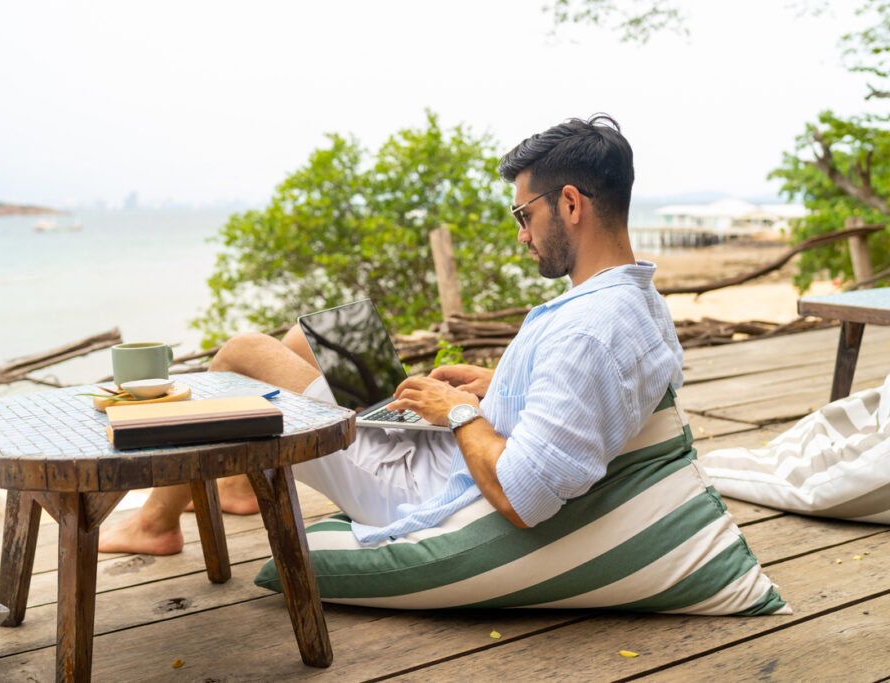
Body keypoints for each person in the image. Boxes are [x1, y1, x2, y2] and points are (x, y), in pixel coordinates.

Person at [98, 114, 683, 555]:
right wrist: (497, 385)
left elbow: (525, 495)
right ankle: (245, 486)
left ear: (572, 204)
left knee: (242, 353)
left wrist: (458, 413)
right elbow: (579, 400)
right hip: (440, 451)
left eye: (523, 215)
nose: (522, 235)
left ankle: (157, 524)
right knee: (310, 342)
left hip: (418, 486)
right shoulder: (638, 303)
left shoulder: (587, 332)